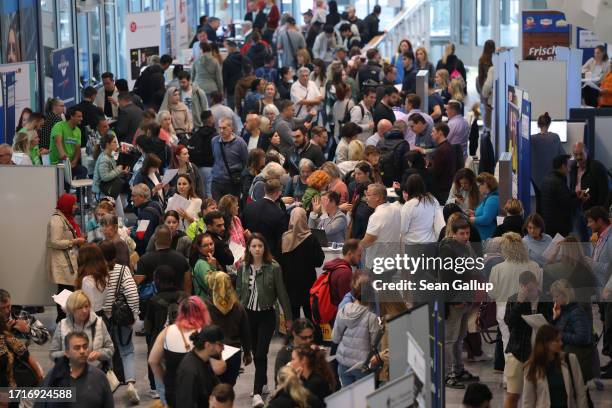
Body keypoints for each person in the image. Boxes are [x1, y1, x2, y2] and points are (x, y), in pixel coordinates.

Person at [237, 233, 293, 407]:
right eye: (254, 246)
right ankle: (263, 383)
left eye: (260, 246)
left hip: (267, 315)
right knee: (255, 353)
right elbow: (239, 292)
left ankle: (257, 394)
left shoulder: (274, 267)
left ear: (265, 248)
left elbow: (282, 293)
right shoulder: (243, 267)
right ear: (248, 248)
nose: (257, 249)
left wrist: (289, 319)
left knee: (261, 354)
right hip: (248, 315)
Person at [489, 233, 543, 371]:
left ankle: (510, 380)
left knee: (508, 343)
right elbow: (540, 289)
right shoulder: (535, 266)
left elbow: (492, 293)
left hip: (504, 310)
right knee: (531, 343)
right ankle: (530, 376)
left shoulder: (497, 269)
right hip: (530, 309)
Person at [438, 216, 481, 389]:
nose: (466, 236)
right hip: (454, 302)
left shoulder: (466, 246)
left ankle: (458, 369)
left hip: (466, 299)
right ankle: (448, 374)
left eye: (468, 233)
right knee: (449, 339)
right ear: (453, 233)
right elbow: (446, 278)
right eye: (462, 233)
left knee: (460, 337)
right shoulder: (447, 249)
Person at [503, 271, 554, 408]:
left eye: (532, 289)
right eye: (526, 289)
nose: (529, 293)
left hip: (539, 353)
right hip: (518, 351)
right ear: (520, 287)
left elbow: (552, 324)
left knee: (537, 395)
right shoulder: (514, 299)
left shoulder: (546, 300)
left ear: (537, 285)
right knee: (513, 394)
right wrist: (519, 303)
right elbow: (509, 321)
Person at [99, 240, 140, 404]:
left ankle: (109, 386)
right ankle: (130, 384)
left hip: (103, 318)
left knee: (106, 353)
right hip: (121, 317)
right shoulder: (122, 270)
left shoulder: (95, 273)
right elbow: (132, 293)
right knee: (127, 350)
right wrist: (134, 315)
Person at [522, 324, 588, 408]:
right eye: (557, 341)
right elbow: (528, 401)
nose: (561, 343)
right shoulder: (531, 367)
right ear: (546, 343)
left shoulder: (570, 360)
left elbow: (581, 393)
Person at [332, 273, 381, 386]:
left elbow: (335, 338)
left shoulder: (343, 310)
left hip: (343, 365)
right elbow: (376, 345)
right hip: (363, 368)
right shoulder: (371, 318)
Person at [41, 332, 113, 408]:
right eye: (77, 348)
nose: (82, 351)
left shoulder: (99, 377)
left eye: (85, 347)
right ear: (67, 352)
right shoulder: (53, 377)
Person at [205, 271, 252, 386]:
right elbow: (245, 333)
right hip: (234, 353)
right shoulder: (238, 307)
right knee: (228, 389)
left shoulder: (205, 307)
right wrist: (247, 353)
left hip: (213, 353)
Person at [280, 207, 325, 319]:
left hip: (289, 283)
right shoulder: (311, 239)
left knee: (293, 316)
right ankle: (314, 336)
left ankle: (294, 336)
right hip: (308, 283)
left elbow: (279, 260)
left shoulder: (284, 238)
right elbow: (318, 262)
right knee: (311, 316)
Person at [49, 290, 114, 366]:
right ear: (72, 309)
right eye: (80, 307)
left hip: (94, 373)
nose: (84, 310)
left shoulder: (99, 323)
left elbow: (110, 349)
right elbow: (52, 354)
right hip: (69, 374)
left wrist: (99, 354)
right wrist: (67, 354)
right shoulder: (62, 325)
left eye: (86, 306)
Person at [47, 193, 85, 322]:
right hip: (62, 264)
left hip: (68, 262)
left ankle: (66, 319)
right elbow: (54, 241)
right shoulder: (56, 221)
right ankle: (62, 320)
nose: (75, 207)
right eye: (73, 204)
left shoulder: (66, 217)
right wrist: (73, 242)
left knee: (67, 291)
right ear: (67, 205)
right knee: (64, 292)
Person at [175, 325, 225, 408]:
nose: (223, 348)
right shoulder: (190, 372)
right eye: (220, 344)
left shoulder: (204, 360)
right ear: (208, 345)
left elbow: (216, 387)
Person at [242, 179, 289, 259]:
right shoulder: (279, 214)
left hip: (251, 251)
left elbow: (243, 229)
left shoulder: (249, 207)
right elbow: (281, 239)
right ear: (279, 193)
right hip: (269, 255)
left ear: (264, 189)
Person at [138, 225, 191, 293]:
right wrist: (186, 299)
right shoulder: (181, 258)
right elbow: (188, 283)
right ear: (170, 238)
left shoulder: (144, 260)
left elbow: (137, 283)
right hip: (177, 300)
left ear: (154, 239)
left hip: (152, 302)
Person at [530, 112, 565, 212]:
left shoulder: (532, 139)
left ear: (538, 125)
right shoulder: (555, 137)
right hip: (551, 175)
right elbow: (562, 154)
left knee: (539, 199)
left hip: (535, 175)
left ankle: (538, 221)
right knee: (550, 201)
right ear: (549, 124)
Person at [211, 117, 248, 201]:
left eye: (224, 128)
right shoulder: (214, 141)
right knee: (217, 209)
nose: (221, 131)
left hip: (233, 182)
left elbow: (246, 163)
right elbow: (215, 158)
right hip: (216, 181)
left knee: (232, 209)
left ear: (231, 128)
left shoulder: (240, 143)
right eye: (219, 128)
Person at [540, 154, 577, 237]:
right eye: (568, 166)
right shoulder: (559, 182)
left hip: (548, 223)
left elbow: (556, 198)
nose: (570, 169)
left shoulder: (546, 180)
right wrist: (580, 199)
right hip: (559, 226)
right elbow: (566, 204)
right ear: (563, 166)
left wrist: (574, 194)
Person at [569, 141, 610, 215]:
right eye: (575, 154)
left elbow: (604, 192)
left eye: (581, 154)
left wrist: (600, 212)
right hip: (577, 209)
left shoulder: (597, 167)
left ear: (586, 152)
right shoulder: (572, 168)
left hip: (593, 212)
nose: (578, 157)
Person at [400, 174, 439, 244]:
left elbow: (403, 229)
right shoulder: (432, 199)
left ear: (409, 187)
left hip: (413, 244)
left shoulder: (408, 205)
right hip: (431, 242)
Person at [92, 133, 130, 198]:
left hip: (109, 190)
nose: (117, 144)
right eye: (114, 142)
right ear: (107, 145)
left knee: (120, 207)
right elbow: (105, 177)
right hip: (103, 192)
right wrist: (118, 170)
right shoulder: (104, 159)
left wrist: (121, 172)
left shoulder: (110, 156)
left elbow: (111, 172)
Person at [130, 183, 163, 255]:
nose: (131, 199)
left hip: (147, 253)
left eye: (133, 196)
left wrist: (129, 233)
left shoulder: (145, 214)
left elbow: (140, 237)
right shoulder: (156, 204)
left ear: (142, 197)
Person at [75, 243, 109, 315]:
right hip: (102, 314)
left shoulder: (87, 280)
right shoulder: (104, 276)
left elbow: (89, 307)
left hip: (91, 317)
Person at [431, 122, 457, 204]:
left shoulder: (441, 150)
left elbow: (436, 171)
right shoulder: (448, 146)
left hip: (441, 188)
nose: (431, 134)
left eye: (433, 131)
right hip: (447, 185)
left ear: (440, 133)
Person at [468, 172, 499, 240]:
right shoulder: (489, 197)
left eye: (479, 186)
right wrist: (474, 213)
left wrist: (473, 219)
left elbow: (486, 219)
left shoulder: (492, 199)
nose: (478, 189)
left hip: (486, 237)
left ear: (485, 184)